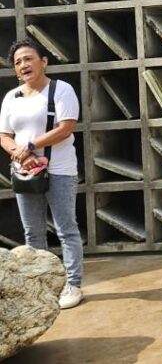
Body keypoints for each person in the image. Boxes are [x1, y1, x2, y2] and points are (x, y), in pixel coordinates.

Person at [0, 37, 84, 309]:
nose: (23, 65)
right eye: (18, 62)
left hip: (59, 169)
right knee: (33, 233)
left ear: (44, 61)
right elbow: (4, 135)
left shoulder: (61, 90)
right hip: (24, 171)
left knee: (66, 229)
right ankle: (44, 286)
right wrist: (19, 154)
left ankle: (73, 284)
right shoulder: (11, 98)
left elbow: (66, 127)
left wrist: (30, 146)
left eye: (28, 58)